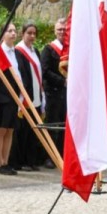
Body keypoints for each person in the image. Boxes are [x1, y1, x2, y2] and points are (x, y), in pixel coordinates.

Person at [9, 23, 45, 172]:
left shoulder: (35, 50)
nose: (32, 36)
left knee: (33, 130)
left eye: (34, 33)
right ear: (23, 33)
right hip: (25, 97)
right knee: (22, 131)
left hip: (36, 95)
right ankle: (20, 161)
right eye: (29, 33)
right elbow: (21, 74)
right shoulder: (19, 51)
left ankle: (31, 160)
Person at [0, 22, 21, 175]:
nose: (13, 33)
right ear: (2, 34)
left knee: (10, 131)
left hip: (14, 97)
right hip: (1, 98)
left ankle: (5, 162)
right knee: (0, 130)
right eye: (10, 31)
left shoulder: (16, 52)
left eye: (14, 31)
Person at [40, 18, 68, 160]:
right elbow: (44, 71)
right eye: (59, 29)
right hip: (53, 92)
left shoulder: (70, 49)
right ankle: (49, 157)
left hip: (66, 93)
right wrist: (62, 81)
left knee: (65, 124)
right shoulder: (48, 49)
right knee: (52, 124)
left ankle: (62, 155)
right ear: (54, 31)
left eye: (64, 29)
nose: (62, 32)